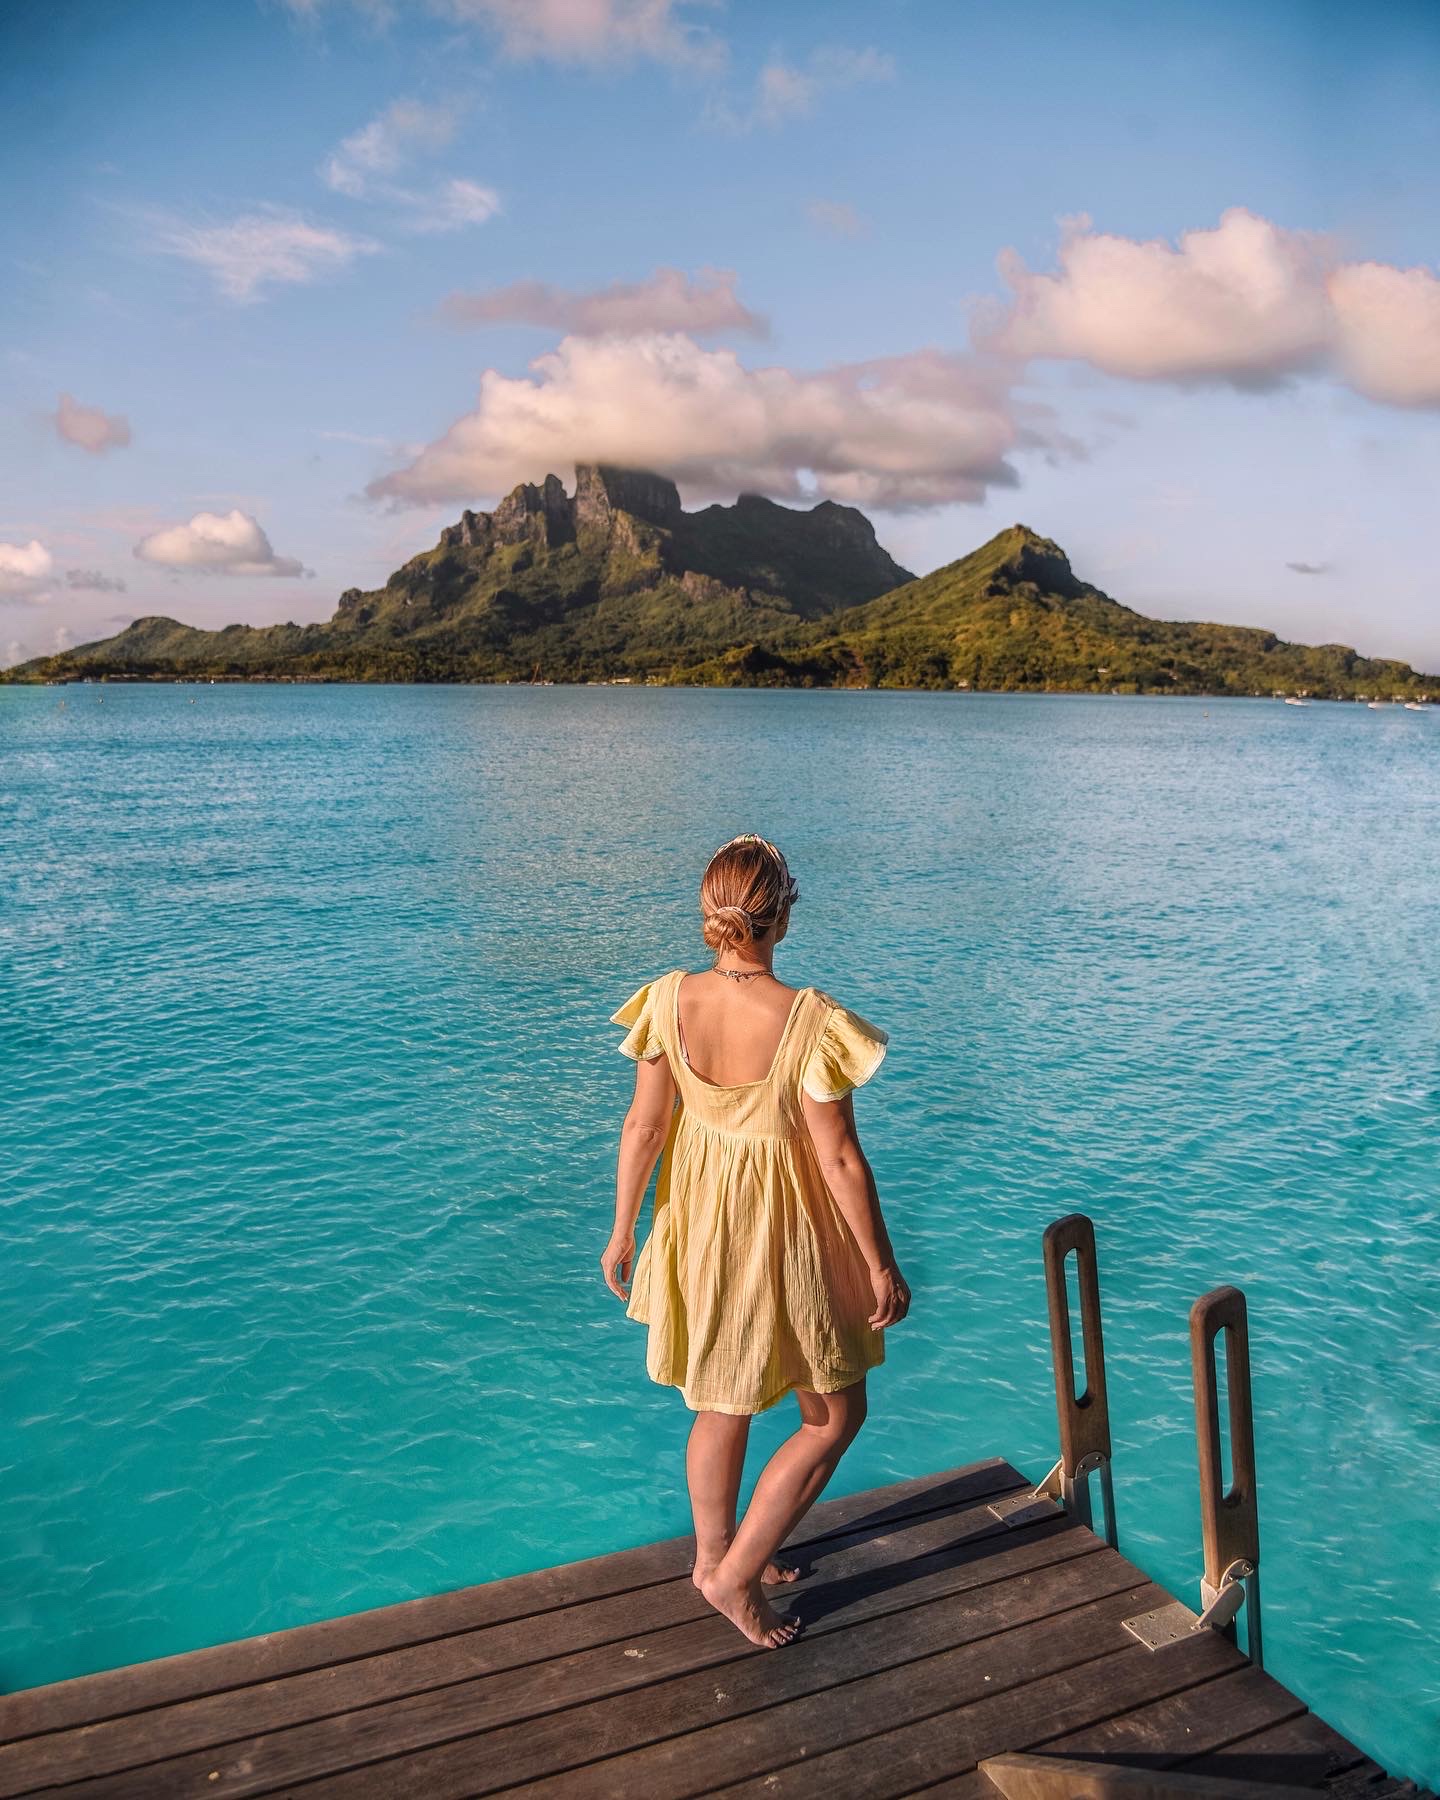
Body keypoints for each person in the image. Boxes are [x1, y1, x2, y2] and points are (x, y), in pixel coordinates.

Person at [601, 833, 911, 1649]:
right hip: (786, 1228)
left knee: (720, 1398)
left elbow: (644, 1126)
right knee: (832, 1414)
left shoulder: (667, 999)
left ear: (711, 914)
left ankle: (717, 1558)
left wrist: (623, 1227)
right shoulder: (810, 1020)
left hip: (701, 1221)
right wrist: (881, 1262)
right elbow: (838, 1157)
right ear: (782, 916)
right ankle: (735, 1578)